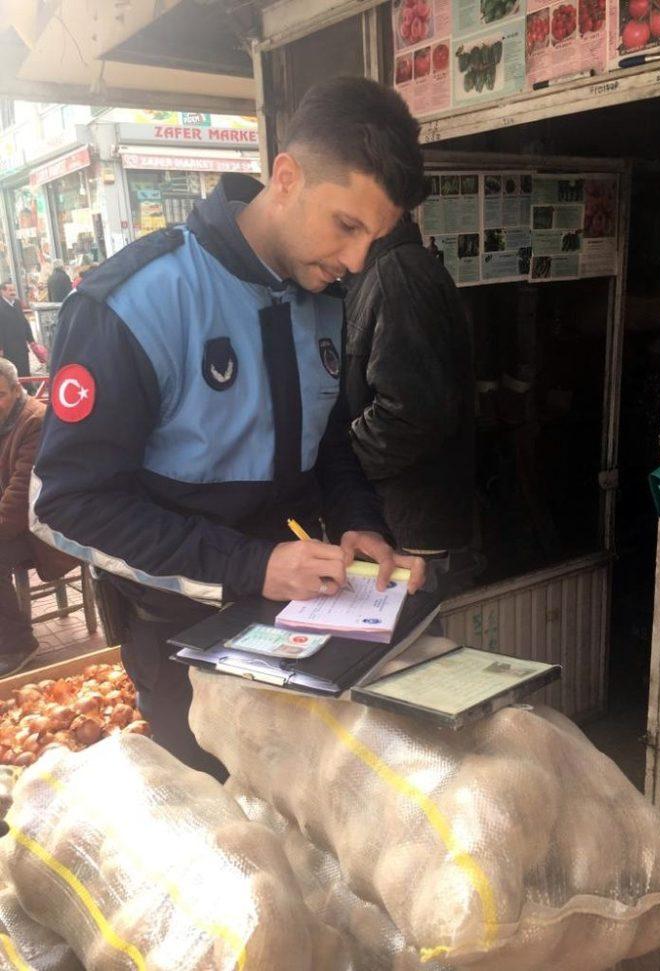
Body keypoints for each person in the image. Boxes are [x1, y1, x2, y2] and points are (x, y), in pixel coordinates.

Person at [31, 77, 427, 778]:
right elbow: (68, 504)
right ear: (286, 177)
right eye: (346, 225)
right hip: (181, 646)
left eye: (375, 236)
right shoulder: (137, 302)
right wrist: (252, 566)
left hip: (303, 628)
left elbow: (328, 441)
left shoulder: (321, 297)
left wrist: (359, 518)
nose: (360, 261)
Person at [345, 213, 477, 596]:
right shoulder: (383, 272)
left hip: (405, 523)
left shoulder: (397, 277)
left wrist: (339, 464)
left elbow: (409, 414)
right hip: (395, 515)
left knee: (401, 649)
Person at [0, 359, 75, 677]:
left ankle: (18, 645)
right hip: (16, 520)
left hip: (43, 528)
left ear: (17, 390)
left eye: (0, 394)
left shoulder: (35, 421)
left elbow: (20, 501)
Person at [0, 282, 47, 379]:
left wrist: (31, 340)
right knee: (11, 372)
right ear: (2, 291)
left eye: (13, 290)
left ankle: (28, 390)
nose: (13, 292)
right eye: (10, 290)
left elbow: (24, 322)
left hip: (21, 345)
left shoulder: (17, 303)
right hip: (8, 347)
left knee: (25, 369)